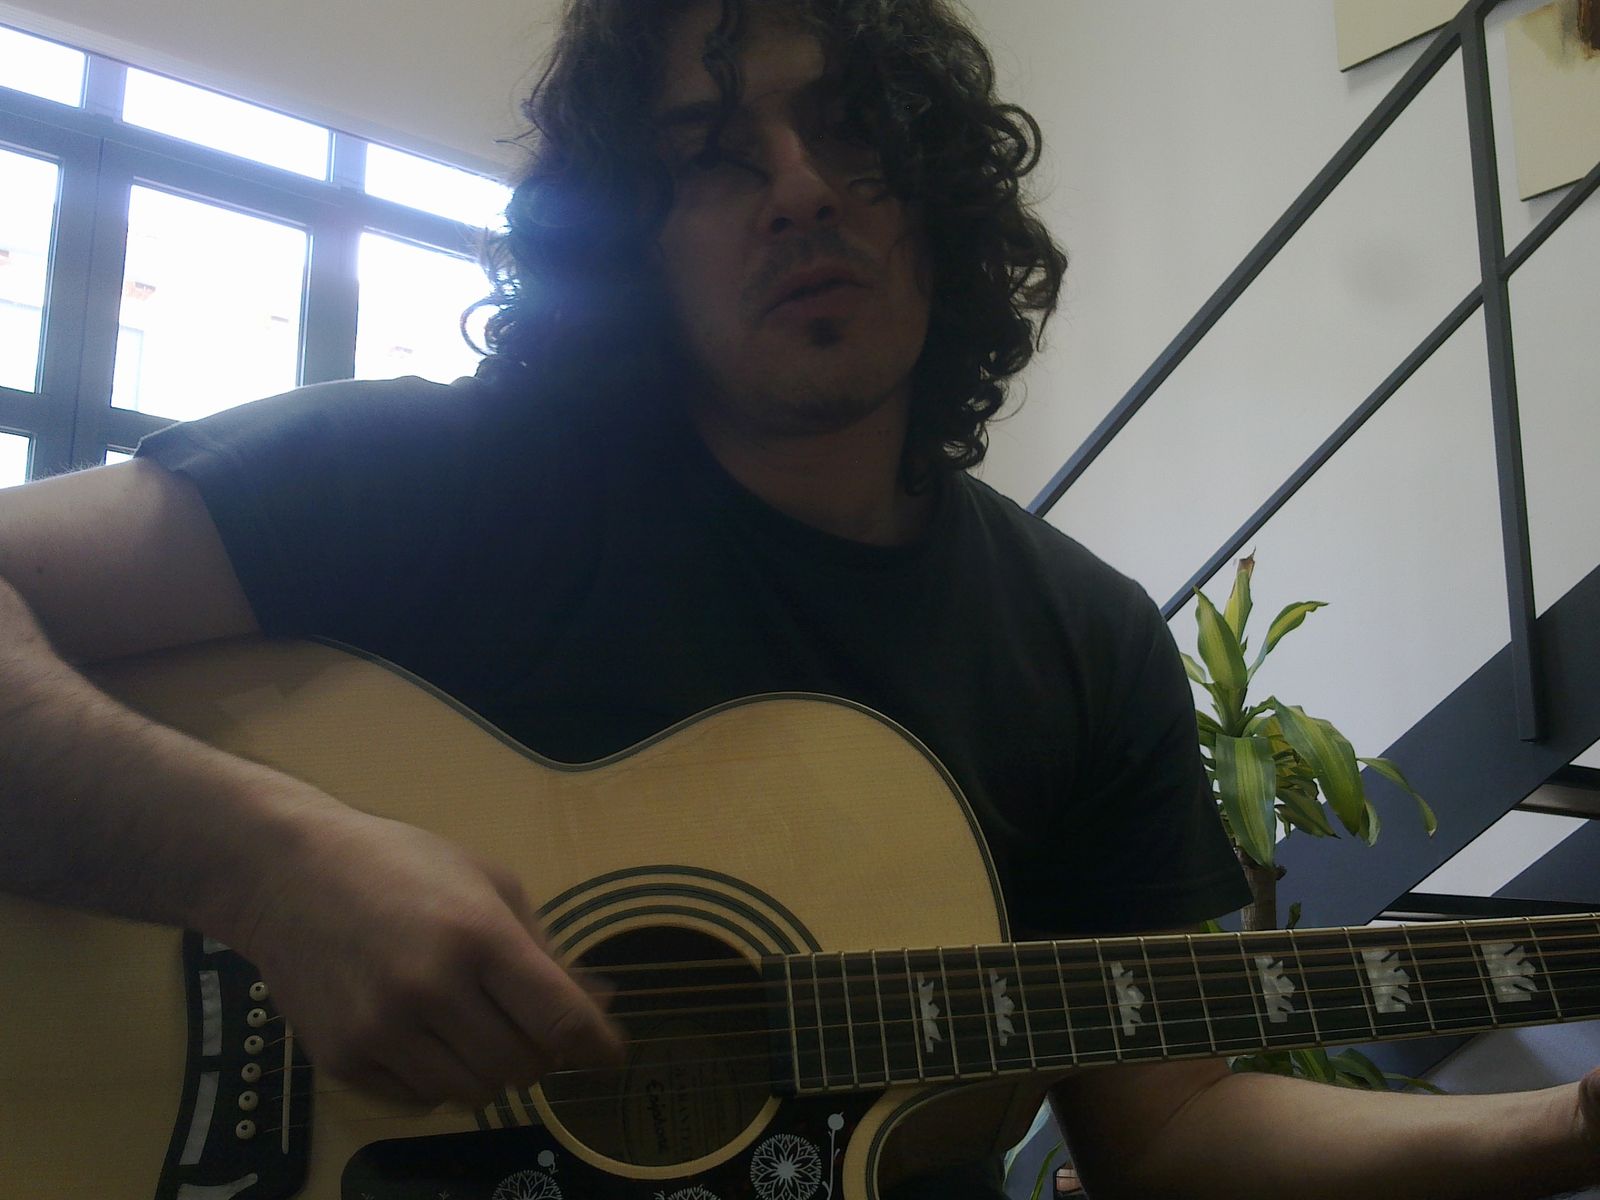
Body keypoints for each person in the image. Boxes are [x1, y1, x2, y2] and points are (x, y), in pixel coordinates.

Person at [1, 1, 1597, 1196]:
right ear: (628, 248)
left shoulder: (1080, 640)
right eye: (709, 156)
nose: (800, 188)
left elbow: (1170, 1128)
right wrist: (272, 869)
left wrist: (1565, 1125)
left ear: (939, 193)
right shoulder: (443, 480)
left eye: (852, 130)